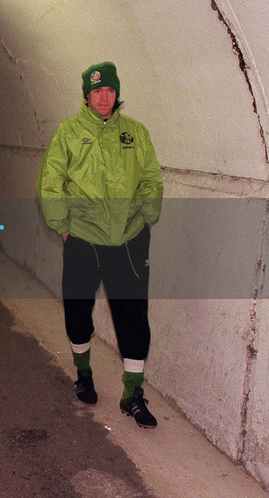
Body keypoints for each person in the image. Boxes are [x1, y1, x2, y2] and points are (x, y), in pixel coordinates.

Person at [35, 61, 163, 428]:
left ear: (116, 92)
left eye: (109, 90)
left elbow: (152, 178)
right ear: (86, 96)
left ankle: (132, 394)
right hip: (84, 238)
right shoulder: (69, 133)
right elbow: (51, 181)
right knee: (77, 311)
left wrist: (146, 217)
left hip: (128, 239)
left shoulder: (136, 133)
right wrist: (63, 227)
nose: (103, 98)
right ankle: (84, 373)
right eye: (96, 92)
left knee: (133, 317)